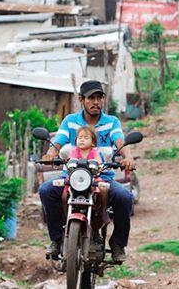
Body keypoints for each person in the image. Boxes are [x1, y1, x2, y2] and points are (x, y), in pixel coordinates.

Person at [39, 80, 135, 263]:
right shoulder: (70, 121)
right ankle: (56, 240)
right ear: (81, 99)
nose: (96, 102)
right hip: (72, 176)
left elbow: (120, 142)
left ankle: (117, 243)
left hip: (102, 176)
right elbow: (59, 140)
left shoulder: (111, 122)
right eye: (91, 98)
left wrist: (128, 157)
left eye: (99, 97)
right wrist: (50, 153)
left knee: (125, 197)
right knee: (46, 190)